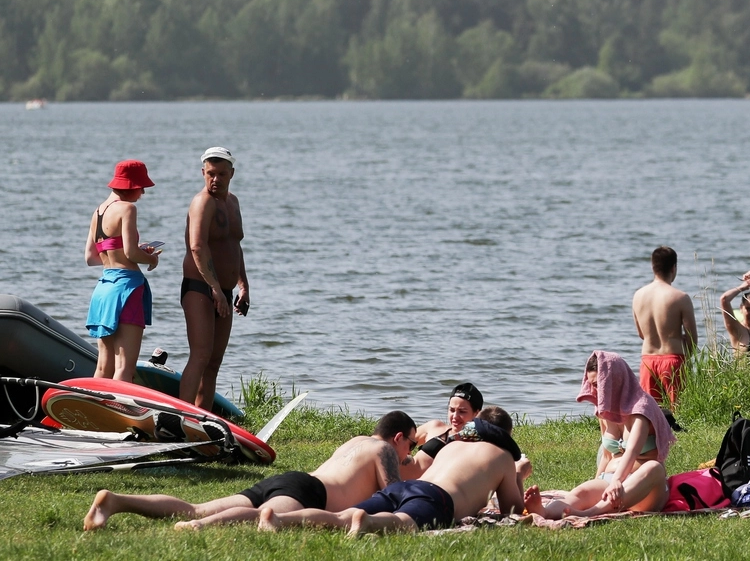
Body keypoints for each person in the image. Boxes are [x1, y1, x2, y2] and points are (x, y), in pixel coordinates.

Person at [83, 410, 418, 531]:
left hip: (293, 480)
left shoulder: (355, 441)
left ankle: (116, 501)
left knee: (197, 505)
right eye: (411, 445)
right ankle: (199, 527)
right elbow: (392, 494)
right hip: (309, 493)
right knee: (264, 516)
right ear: (398, 438)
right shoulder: (385, 450)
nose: (409, 454)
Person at [257, 406, 525, 535]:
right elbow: (512, 509)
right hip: (437, 498)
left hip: (405, 487)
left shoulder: (453, 445)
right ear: (505, 436)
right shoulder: (502, 456)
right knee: (402, 522)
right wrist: (518, 475)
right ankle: (368, 523)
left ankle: (280, 519)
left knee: (341, 516)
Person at [524, 351, 674, 518]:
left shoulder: (642, 408)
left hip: (646, 488)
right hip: (611, 481)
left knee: (654, 467)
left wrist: (617, 481)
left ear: (614, 380)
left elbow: (632, 451)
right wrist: (596, 482)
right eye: (592, 385)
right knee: (579, 493)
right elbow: (607, 455)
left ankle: (591, 512)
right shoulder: (604, 413)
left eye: (598, 385)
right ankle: (544, 511)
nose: (595, 391)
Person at [179, 146, 249, 409]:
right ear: (203, 173)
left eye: (221, 174)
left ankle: (202, 417)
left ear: (232, 173)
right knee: (200, 356)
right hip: (200, 287)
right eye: (210, 173)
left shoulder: (233, 202)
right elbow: (197, 246)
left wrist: (243, 285)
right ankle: (179, 417)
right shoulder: (202, 202)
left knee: (214, 362)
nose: (215, 179)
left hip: (225, 291)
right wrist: (215, 288)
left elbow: (235, 245)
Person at [84, 159, 160, 381]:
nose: (143, 192)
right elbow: (130, 253)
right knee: (125, 367)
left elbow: (91, 257)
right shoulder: (127, 209)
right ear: (131, 185)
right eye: (141, 187)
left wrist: (131, 250)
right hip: (127, 288)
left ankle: (94, 401)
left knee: (103, 366)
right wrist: (150, 258)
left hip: (104, 289)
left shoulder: (98, 212)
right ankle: (118, 404)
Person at [632, 246, 697, 405]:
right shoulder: (681, 297)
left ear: (653, 267)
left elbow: (641, 334)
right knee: (678, 411)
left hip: (648, 360)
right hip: (673, 360)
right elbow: (692, 339)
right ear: (674, 268)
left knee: (650, 412)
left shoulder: (638, 295)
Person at [403, 382, 484, 479]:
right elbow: (400, 442)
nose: (455, 417)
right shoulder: (435, 426)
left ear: (476, 413)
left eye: (462, 411)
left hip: (423, 485)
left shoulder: (478, 445)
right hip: (396, 476)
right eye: (452, 410)